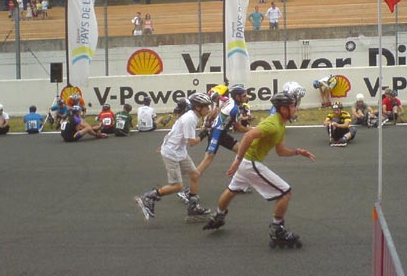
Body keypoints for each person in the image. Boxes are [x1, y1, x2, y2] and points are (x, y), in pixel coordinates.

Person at [203, 92, 315, 248]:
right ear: (283, 109)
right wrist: (238, 160)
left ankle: (218, 216)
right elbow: (249, 136)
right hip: (250, 163)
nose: (295, 108)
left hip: (247, 164)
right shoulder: (272, 124)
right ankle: (277, 230)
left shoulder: (280, 124)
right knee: (285, 192)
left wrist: (297, 152)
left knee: (232, 190)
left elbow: (280, 151)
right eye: (292, 106)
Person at [134, 93, 213, 222]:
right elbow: (192, 143)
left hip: (179, 151)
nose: (208, 109)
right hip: (171, 153)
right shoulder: (190, 119)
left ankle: (193, 208)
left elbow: (176, 133)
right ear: (198, 107)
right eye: (206, 106)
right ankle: (148, 197)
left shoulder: (194, 116)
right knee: (177, 186)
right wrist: (205, 133)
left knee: (195, 175)